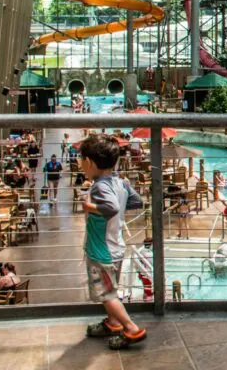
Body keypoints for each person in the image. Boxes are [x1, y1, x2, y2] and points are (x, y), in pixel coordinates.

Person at [80, 133, 146, 349]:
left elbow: (111, 208)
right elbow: (137, 201)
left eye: (81, 160)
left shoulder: (99, 186)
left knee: (106, 294)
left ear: (89, 162)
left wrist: (89, 207)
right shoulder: (120, 182)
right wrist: (123, 192)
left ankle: (131, 328)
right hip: (116, 246)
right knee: (111, 289)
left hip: (102, 251)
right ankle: (113, 323)